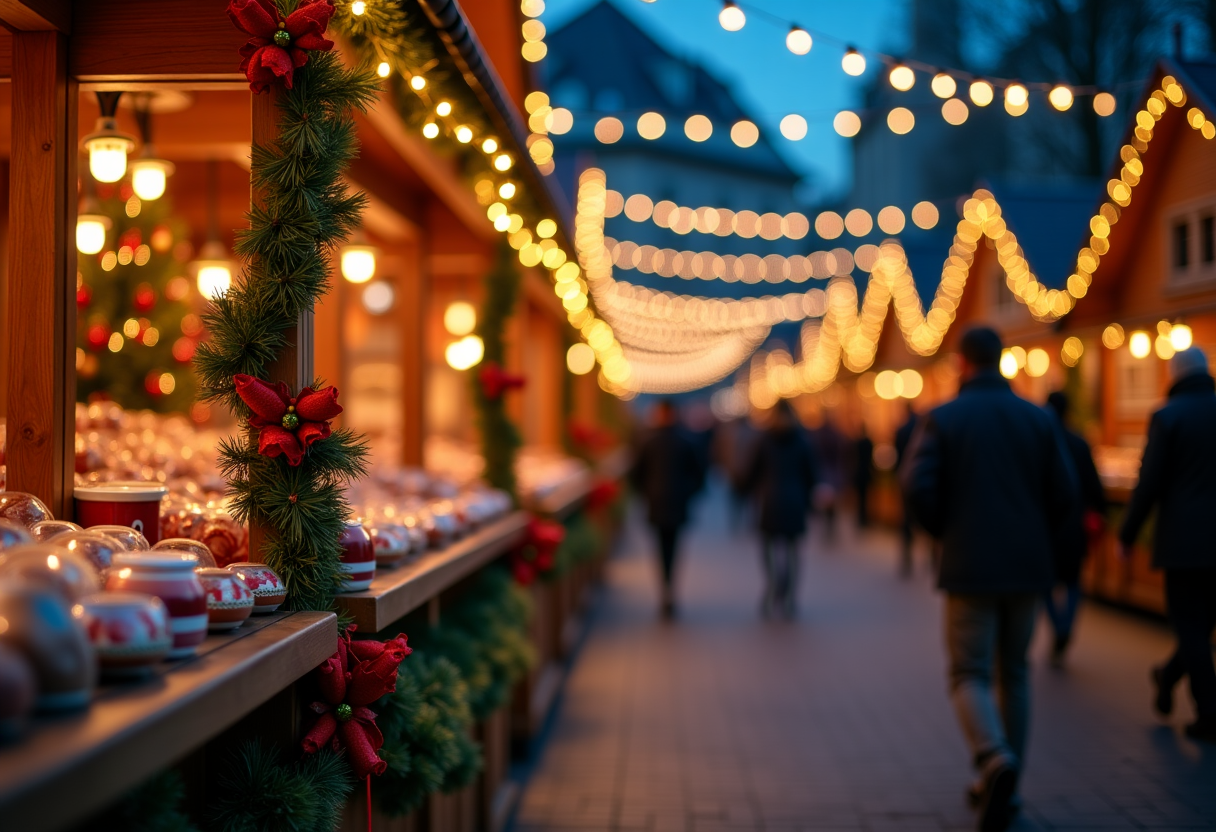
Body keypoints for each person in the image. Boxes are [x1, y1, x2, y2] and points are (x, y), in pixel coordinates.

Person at [903, 326, 1077, 832]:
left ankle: (993, 757)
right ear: (1000, 360)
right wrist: (1036, 533)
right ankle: (1008, 786)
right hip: (1027, 566)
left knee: (967, 672)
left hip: (970, 566)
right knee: (1015, 672)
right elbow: (1065, 493)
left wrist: (945, 532)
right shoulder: (1038, 419)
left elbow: (917, 486)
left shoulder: (942, 418)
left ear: (961, 362)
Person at [1118, 347, 1216, 743]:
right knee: (1202, 624)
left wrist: (1126, 535)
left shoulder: (1167, 417)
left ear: (1174, 375)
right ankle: (1167, 675)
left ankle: (1209, 713)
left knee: (1189, 624)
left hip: (1184, 541)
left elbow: (1149, 483)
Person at [1043, 391, 1107, 667]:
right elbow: (1094, 485)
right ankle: (1066, 624)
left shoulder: (1042, 442)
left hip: (1046, 526)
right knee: (1072, 581)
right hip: (1074, 524)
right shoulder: (1080, 443)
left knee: (1045, 583)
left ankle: (1058, 625)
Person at [631, 398, 705, 618]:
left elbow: (636, 475)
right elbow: (699, 474)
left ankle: (667, 587)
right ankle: (667, 588)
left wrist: (645, 493)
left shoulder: (651, 441)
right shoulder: (683, 441)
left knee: (667, 547)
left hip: (665, 502)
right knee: (667, 547)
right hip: (669, 502)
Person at [744, 399, 818, 618]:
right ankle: (790, 595)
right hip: (795, 500)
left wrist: (745, 489)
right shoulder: (802, 440)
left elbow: (752, 472)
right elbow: (811, 474)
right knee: (794, 550)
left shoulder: (764, 440)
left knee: (768, 547)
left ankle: (773, 584)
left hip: (770, 500)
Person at [893, 406, 920, 576]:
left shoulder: (901, 430)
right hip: (918, 475)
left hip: (905, 476)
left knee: (906, 518)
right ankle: (931, 557)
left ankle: (907, 556)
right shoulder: (921, 427)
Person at [853, 426, 874, 529]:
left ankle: (861, 518)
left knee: (860, 498)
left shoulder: (857, 443)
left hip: (859, 473)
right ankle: (864, 518)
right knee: (866, 497)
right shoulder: (869, 442)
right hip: (866, 473)